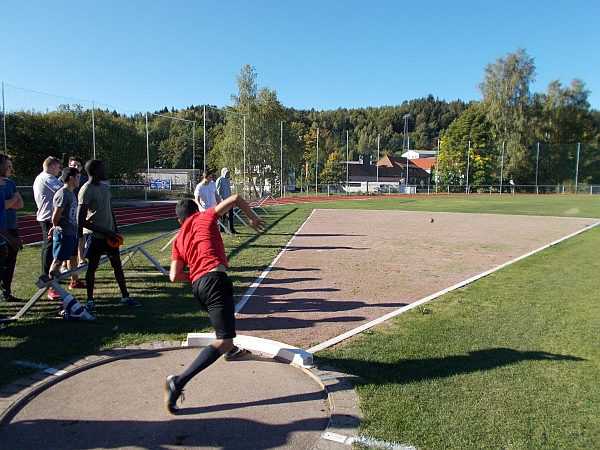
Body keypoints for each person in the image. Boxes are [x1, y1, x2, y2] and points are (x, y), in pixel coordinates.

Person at [164, 194, 266, 414]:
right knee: (225, 340)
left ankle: (228, 350)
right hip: (215, 282)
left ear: (180, 221)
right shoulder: (205, 216)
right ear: (196, 211)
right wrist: (252, 217)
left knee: (224, 330)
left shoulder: (179, 239)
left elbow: (174, 276)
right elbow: (236, 198)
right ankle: (179, 382)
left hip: (198, 288)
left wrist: (195, 276)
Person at [77, 159, 140, 314]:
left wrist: (115, 230)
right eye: (104, 169)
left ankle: (125, 296)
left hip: (109, 235)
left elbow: (110, 212)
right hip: (94, 236)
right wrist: (106, 232)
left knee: (117, 264)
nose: (106, 172)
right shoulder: (86, 190)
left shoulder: (105, 188)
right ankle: (90, 300)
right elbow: (80, 220)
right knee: (92, 267)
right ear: (97, 172)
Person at [48, 168, 86, 293]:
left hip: (72, 232)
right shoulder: (62, 194)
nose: (79, 180)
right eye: (78, 177)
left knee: (73, 258)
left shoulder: (71, 193)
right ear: (71, 178)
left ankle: (74, 281)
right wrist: (56, 227)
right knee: (58, 261)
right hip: (64, 233)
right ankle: (52, 288)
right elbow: (56, 215)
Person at [33, 156, 62, 277]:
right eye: (58, 168)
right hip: (48, 216)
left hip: (46, 215)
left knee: (50, 245)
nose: (59, 171)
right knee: (50, 246)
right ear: (52, 166)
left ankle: (51, 273)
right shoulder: (47, 178)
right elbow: (63, 189)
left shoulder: (40, 177)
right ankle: (47, 274)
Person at [1, 155, 24, 302]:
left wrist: (10, 201)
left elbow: (20, 203)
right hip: (3, 231)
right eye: (7, 165)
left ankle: (6, 293)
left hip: (11, 227)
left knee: (10, 263)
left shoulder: (10, 184)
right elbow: (3, 205)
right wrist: (11, 201)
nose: (10, 168)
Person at [68, 156, 88, 266]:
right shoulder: (63, 179)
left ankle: (81, 258)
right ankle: (65, 262)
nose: (75, 167)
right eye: (73, 165)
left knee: (81, 236)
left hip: (80, 211)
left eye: (78, 165)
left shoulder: (84, 180)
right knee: (69, 237)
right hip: (68, 212)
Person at [216, 167, 237, 234]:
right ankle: (221, 230)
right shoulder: (220, 180)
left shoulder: (227, 181)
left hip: (228, 201)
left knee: (231, 215)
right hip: (222, 201)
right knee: (223, 216)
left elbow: (229, 191)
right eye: (227, 172)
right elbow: (218, 191)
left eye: (229, 172)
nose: (228, 174)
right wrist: (221, 199)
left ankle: (231, 229)